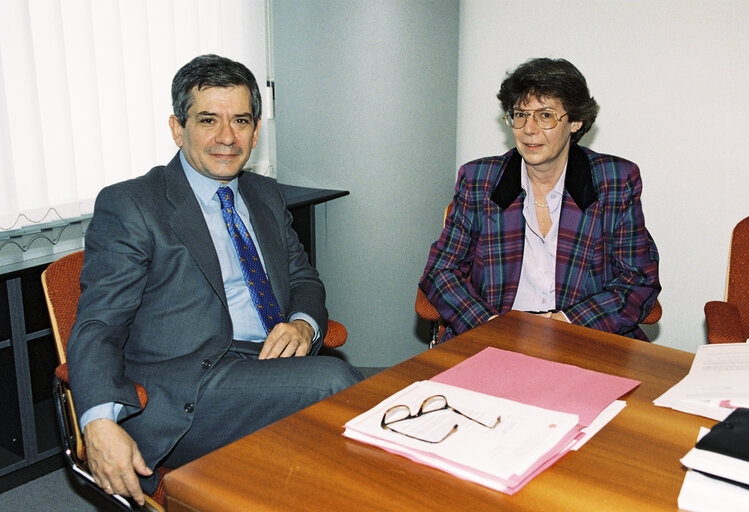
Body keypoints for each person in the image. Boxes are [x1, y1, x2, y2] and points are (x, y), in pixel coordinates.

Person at [67, 54, 362, 504]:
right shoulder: (133, 204)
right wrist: (99, 420)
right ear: (177, 128)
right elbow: (98, 324)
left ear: (256, 130)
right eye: (208, 120)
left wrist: (302, 323)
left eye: (241, 120)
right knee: (335, 385)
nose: (227, 137)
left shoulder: (263, 194)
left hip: (263, 362)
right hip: (188, 386)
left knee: (348, 408)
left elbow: (305, 279)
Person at [419, 57, 660, 342]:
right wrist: (489, 324)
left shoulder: (614, 181)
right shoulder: (480, 180)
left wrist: (563, 323)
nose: (529, 129)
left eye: (545, 115)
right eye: (520, 114)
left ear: (575, 121)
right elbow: (441, 272)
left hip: (583, 338)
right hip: (495, 340)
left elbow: (638, 281)